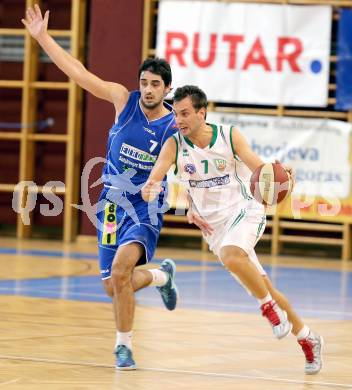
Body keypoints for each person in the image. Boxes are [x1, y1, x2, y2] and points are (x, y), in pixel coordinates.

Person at [22, 5, 178, 370]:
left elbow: (192, 152)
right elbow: (79, 72)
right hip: (110, 204)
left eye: (156, 84)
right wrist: (44, 37)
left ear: (167, 88)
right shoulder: (123, 101)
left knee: (123, 269)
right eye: (144, 82)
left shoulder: (174, 125)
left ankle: (123, 346)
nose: (148, 89)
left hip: (145, 207)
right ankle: (161, 276)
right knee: (112, 284)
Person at [142, 85, 323, 375]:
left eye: (185, 113)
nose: (179, 120)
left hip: (245, 210)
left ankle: (269, 311)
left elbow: (260, 170)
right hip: (214, 229)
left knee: (232, 255)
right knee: (266, 286)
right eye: (176, 114)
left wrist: (283, 177)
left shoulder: (229, 136)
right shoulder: (174, 146)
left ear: (202, 112)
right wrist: (150, 189)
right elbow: (155, 179)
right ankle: (307, 337)